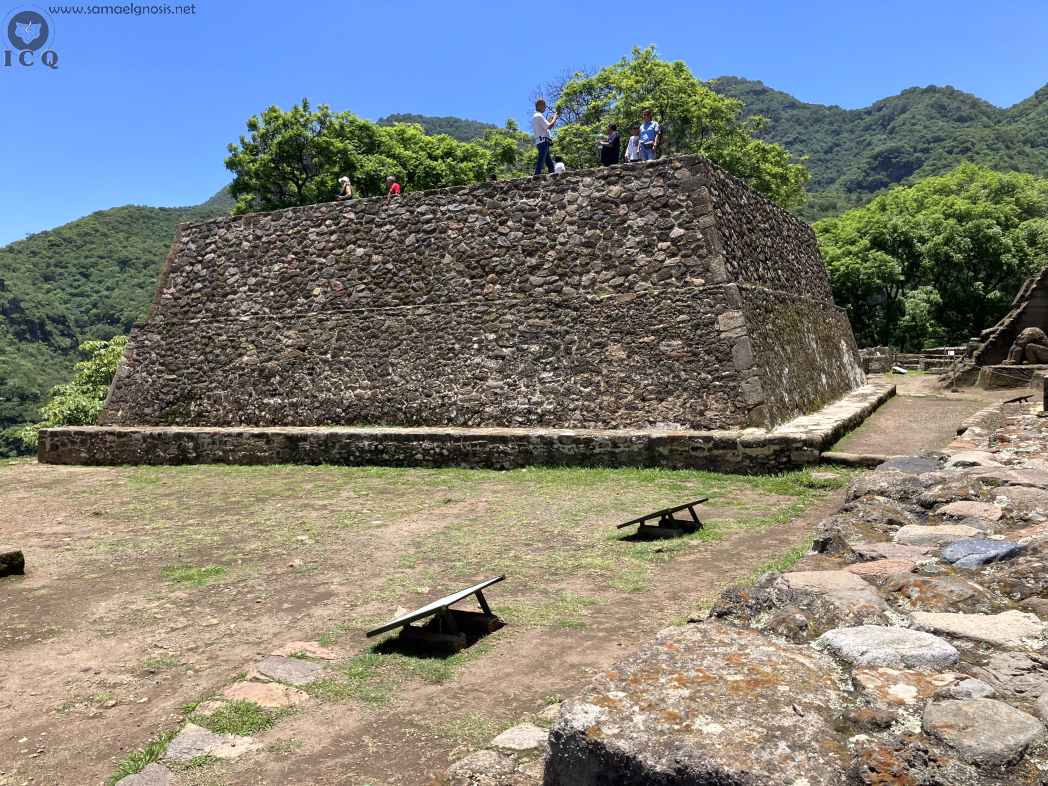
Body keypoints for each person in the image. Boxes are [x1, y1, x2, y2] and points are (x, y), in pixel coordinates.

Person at [532, 98, 558, 175]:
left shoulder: (536, 116)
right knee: (541, 160)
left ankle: (553, 175)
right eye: (544, 106)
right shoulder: (539, 116)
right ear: (540, 106)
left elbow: (545, 126)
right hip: (543, 141)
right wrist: (555, 118)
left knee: (549, 163)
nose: (545, 108)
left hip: (541, 141)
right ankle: (536, 176)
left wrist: (551, 120)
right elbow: (549, 126)